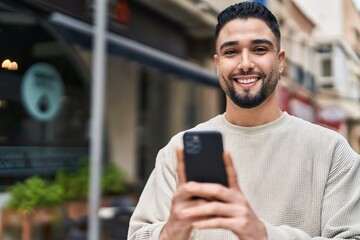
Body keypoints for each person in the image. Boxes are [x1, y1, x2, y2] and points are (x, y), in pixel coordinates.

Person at [128, 1, 360, 240]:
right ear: (218, 65)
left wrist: (262, 234)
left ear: (280, 61)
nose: (245, 63)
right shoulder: (177, 151)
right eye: (231, 52)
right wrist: (171, 232)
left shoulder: (331, 151)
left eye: (259, 49)